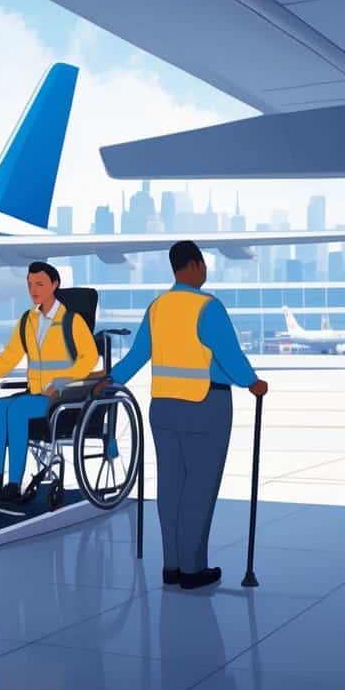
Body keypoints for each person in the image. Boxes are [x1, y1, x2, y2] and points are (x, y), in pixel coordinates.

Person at [96, 241, 266, 590]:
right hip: (205, 406)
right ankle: (192, 569)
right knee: (199, 488)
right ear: (194, 266)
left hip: (163, 408)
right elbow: (230, 356)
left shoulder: (158, 306)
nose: (204, 270)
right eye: (202, 264)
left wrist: (111, 379)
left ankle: (172, 565)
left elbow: (138, 354)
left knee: (171, 486)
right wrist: (252, 382)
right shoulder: (208, 307)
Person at [0, 262, 100, 501]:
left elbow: (90, 358)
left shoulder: (71, 321)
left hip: (61, 397)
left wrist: (61, 382)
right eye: (30, 284)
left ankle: (13, 485)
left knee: (16, 411)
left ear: (54, 285)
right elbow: (9, 357)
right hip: (36, 394)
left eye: (40, 284)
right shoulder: (28, 321)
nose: (34, 290)